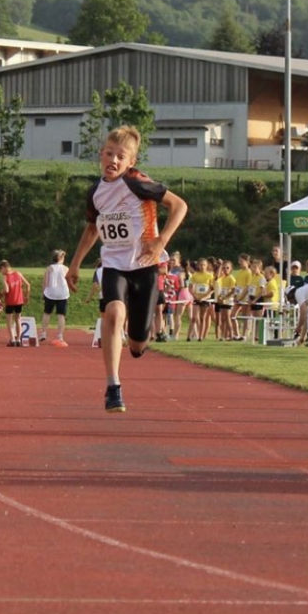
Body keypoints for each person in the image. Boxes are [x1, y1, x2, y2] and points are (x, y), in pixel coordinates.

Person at [66, 125, 188, 413]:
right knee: (114, 311)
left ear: (131, 162)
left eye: (121, 156)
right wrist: (74, 264)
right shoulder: (95, 192)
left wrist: (161, 240)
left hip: (144, 267)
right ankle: (113, 386)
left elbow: (179, 205)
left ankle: (136, 341)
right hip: (114, 265)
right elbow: (92, 228)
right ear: (101, 155)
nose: (114, 160)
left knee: (137, 344)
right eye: (109, 154)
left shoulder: (136, 182)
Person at [0, 259, 31, 346]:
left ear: (4, 268)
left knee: (9, 320)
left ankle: (12, 339)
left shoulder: (5, 277)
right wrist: (27, 296)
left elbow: (6, 289)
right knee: (18, 319)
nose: (1, 273)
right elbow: (28, 285)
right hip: (19, 300)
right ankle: (18, 339)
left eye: (1, 270)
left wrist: (0, 294)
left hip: (10, 301)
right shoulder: (18, 273)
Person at [40, 249, 70, 344]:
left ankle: (44, 333)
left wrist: (43, 292)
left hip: (51, 293)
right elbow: (70, 281)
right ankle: (60, 335)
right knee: (61, 315)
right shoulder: (66, 268)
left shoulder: (49, 268)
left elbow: (45, 282)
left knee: (47, 313)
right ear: (60, 258)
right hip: (62, 294)